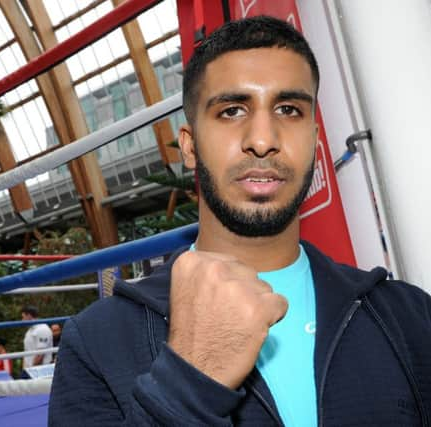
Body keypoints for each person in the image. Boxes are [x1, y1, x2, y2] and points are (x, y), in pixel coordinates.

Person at [49, 16, 431, 426]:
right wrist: (186, 386)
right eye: (232, 111)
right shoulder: (97, 340)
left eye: (288, 109)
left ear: (315, 140)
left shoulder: (409, 314)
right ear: (190, 147)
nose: (263, 139)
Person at [21, 305, 53, 369]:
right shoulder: (29, 331)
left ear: (29, 316)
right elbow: (26, 352)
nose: (22, 320)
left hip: (40, 371)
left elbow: (40, 355)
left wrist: (32, 369)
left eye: (23, 317)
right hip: (30, 370)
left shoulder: (42, 329)